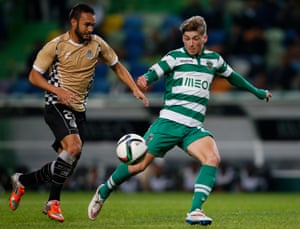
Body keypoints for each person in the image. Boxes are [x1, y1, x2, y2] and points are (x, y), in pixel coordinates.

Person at [88, 15, 272, 226]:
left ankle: (195, 210)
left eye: (195, 38)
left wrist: (257, 91)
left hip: (193, 128)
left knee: (212, 158)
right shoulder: (174, 57)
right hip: (168, 124)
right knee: (138, 166)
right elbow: (154, 72)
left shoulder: (214, 60)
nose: (191, 43)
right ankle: (103, 190)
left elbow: (233, 77)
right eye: (187, 38)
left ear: (204, 38)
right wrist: (145, 79)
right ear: (182, 39)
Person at [9, 3, 148, 223]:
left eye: (93, 24)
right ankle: (52, 202)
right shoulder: (55, 46)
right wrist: (58, 91)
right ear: (73, 22)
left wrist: (134, 89)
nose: (90, 29)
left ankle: (23, 181)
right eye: (86, 24)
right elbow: (34, 77)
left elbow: (117, 66)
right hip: (56, 104)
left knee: (65, 167)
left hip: (79, 109)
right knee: (73, 148)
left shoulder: (98, 44)